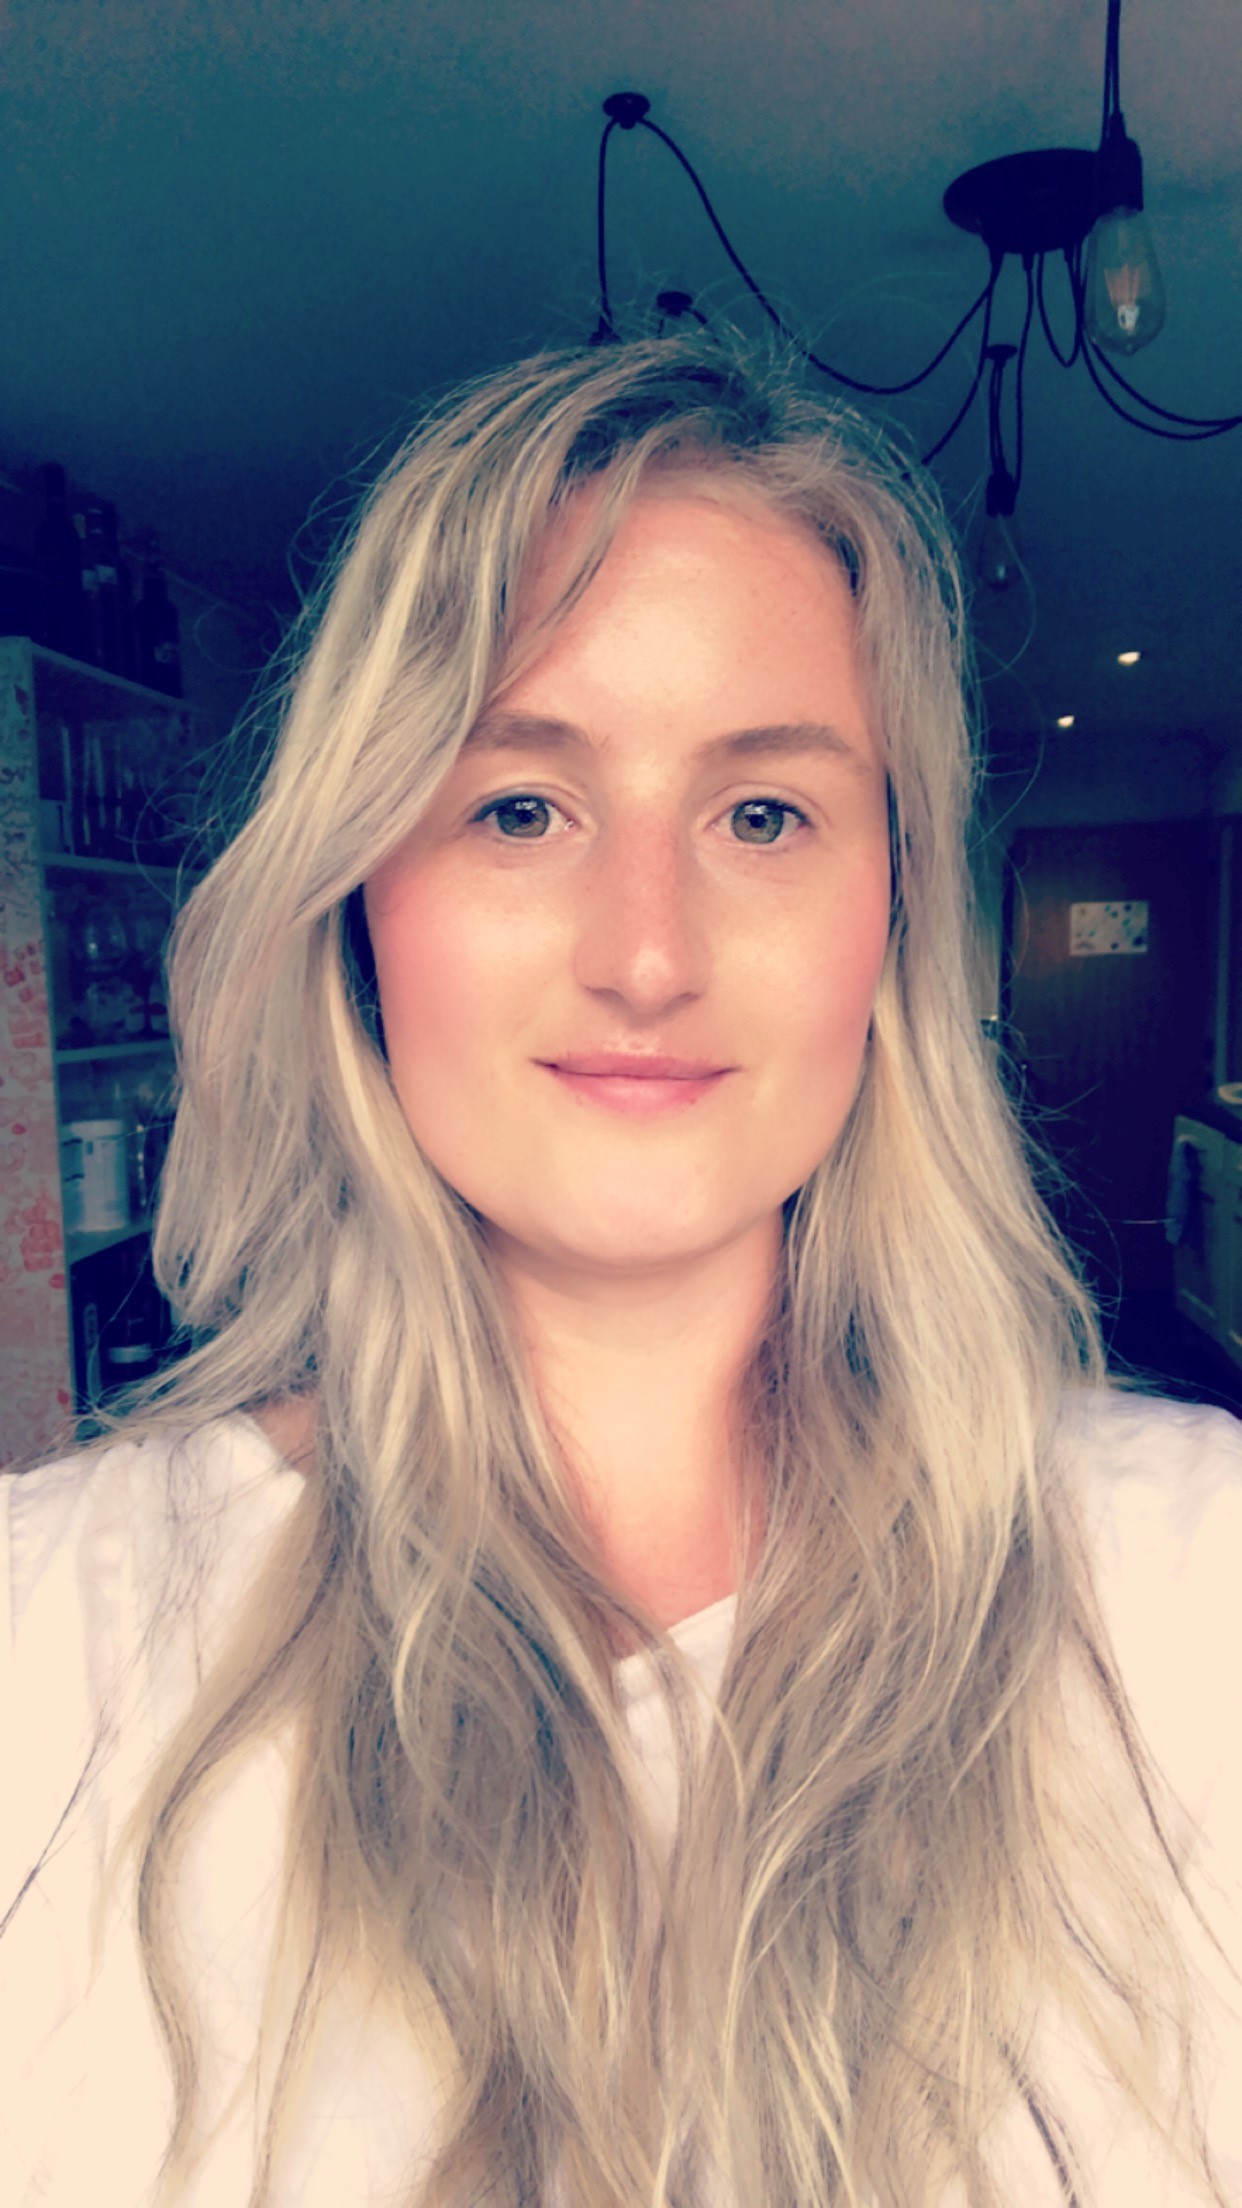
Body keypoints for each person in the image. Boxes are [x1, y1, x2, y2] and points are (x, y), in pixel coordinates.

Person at [2, 330, 1240, 2208]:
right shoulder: (51, 1644)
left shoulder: (1195, 1585)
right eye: (518, 807)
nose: (645, 955)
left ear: (892, 910)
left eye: (762, 815)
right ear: (357, 901)